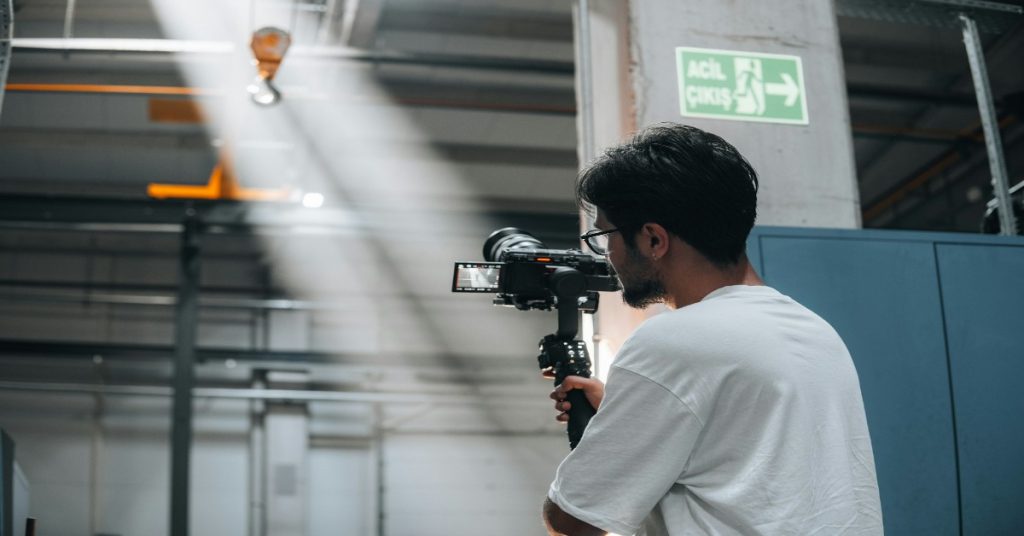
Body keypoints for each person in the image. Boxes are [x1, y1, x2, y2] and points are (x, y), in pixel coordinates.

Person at [541, 124, 882, 536]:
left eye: (604, 235)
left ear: (652, 239)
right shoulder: (816, 331)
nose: (608, 253)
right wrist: (625, 411)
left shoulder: (671, 342)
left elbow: (574, 519)